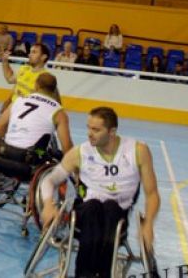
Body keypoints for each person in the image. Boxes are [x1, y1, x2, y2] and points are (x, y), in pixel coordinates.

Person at [39, 107, 159, 278]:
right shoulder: (80, 152)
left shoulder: (138, 151)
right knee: (93, 207)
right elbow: (49, 180)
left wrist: (148, 223)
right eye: (88, 128)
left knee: (111, 207)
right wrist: (48, 204)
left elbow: (152, 193)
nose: (89, 134)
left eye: (96, 130)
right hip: (85, 212)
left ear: (112, 132)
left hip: (117, 215)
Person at [0, 72, 72, 169]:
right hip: (32, 156)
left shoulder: (19, 100)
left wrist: (3, 144)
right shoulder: (59, 111)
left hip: (7, 151)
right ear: (54, 90)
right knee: (56, 155)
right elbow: (67, 146)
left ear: (36, 85)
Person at [0, 42, 50, 114]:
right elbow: (10, 79)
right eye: (30, 52)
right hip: (12, 109)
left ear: (43, 57)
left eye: (34, 52)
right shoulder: (24, 69)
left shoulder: (45, 77)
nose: (29, 55)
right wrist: (4, 61)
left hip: (26, 115)